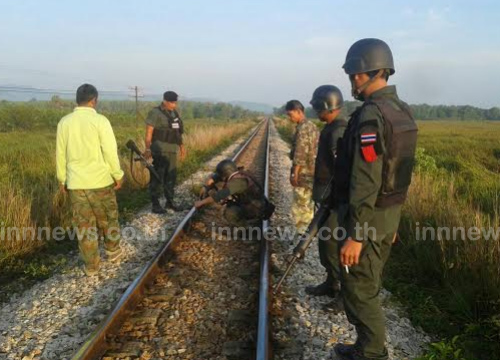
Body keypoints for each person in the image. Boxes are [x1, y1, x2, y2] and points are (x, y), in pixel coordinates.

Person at [333, 38, 418, 360]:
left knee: (359, 287)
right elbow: (401, 171)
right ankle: (365, 346)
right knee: (368, 280)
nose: (352, 83)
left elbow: (366, 180)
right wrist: (392, 219)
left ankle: (371, 353)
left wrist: (356, 234)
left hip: (366, 218)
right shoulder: (401, 110)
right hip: (387, 214)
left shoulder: (371, 115)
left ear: (360, 73)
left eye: (352, 75)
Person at [56, 84, 124, 276]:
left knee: (84, 226)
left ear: (77, 99)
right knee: (108, 219)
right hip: (101, 181)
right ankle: (112, 252)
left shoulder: (64, 122)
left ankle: (92, 266)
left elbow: (60, 153)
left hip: (76, 184)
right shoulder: (101, 121)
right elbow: (110, 151)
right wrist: (117, 174)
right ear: (94, 100)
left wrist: (62, 179)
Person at [304, 85, 347, 299]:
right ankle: (331, 282)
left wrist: (332, 199)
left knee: (332, 245)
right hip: (326, 198)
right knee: (325, 244)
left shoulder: (338, 129)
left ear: (326, 106)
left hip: (334, 202)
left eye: (317, 107)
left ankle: (342, 293)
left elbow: (342, 170)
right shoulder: (331, 127)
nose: (315, 112)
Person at [194, 159, 273, 229]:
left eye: (221, 175)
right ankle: (249, 222)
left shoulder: (237, 183)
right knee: (231, 204)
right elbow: (218, 176)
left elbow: (218, 196)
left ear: (225, 174)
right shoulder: (239, 174)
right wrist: (207, 185)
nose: (220, 177)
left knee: (229, 212)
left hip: (256, 209)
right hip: (256, 204)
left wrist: (201, 202)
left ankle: (248, 227)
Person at [144, 91, 186, 213]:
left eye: (175, 102)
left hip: (172, 150)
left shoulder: (175, 113)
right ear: (165, 101)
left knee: (171, 176)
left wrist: (182, 147)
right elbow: (149, 133)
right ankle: (155, 204)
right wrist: (147, 148)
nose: (174, 105)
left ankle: (170, 202)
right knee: (157, 176)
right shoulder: (155, 113)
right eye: (172, 103)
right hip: (159, 150)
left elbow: (178, 133)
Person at [285, 100, 319, 234]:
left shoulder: (303, 129)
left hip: (304, 175)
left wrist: (295, 174)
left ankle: (303, 235)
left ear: (299, 111)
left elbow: (300, 153)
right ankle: (307, 231)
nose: (289, 118)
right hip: (312, 171)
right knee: (308, 204)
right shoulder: (312, 126)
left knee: (301, 206)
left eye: (290, 114)